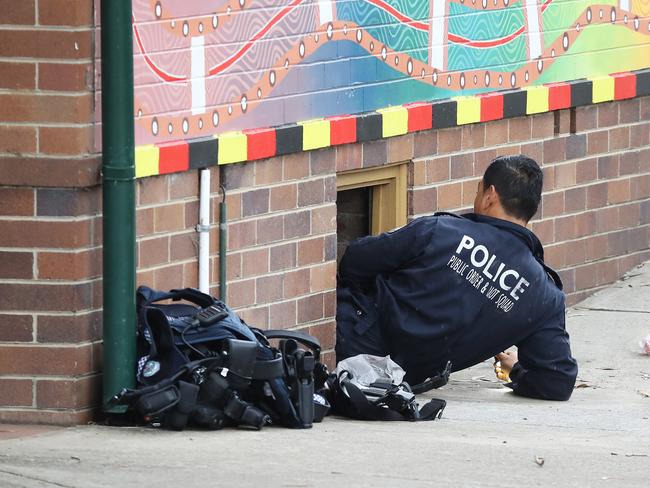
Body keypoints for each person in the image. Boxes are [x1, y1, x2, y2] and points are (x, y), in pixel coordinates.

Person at [335, 155, 578, 401]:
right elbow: (556, 381)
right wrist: (515, 370)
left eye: (478, 190)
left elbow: (355, 260)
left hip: (351, 346)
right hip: (407, 379)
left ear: (489, 195)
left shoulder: (441, 230)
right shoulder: (544, 296)